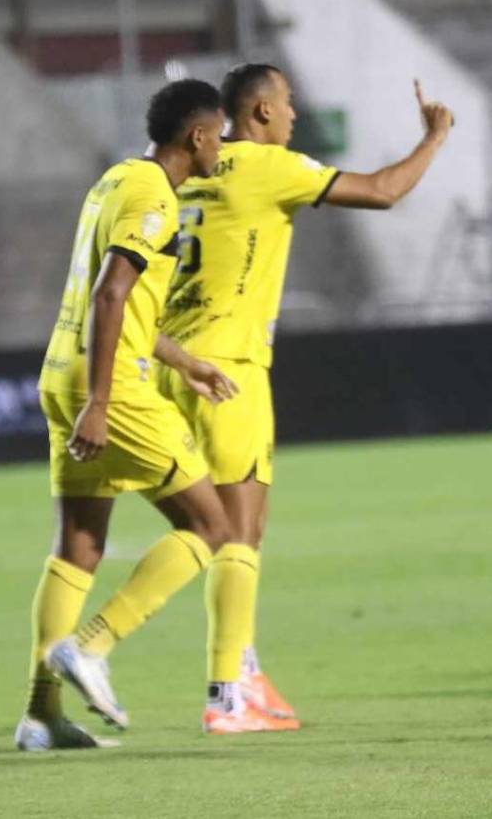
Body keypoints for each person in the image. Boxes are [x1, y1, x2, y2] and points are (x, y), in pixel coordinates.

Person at [158, 65, 455, 726]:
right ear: (261, 112)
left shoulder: (185, 169)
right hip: (227, 367)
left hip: (169, 362)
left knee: (217, 529)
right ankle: (227, 691)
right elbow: (382, 191)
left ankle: (241, 668)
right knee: (237, 534)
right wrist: (435, 137)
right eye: (288, 104)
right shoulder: (268, 165)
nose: (294, 115)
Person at [18, 78, 296, 751]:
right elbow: (111, 295)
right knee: (212, 525)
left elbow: (125, 302)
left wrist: (185, 361)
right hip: (110, 384)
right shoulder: (154, 197)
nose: (222, 149)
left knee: (79, 545)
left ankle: (41, 716)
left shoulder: (114, 181)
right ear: (196, 137)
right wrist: (101, 403)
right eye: (217, 138)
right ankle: (92, 646)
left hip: (61, 370)